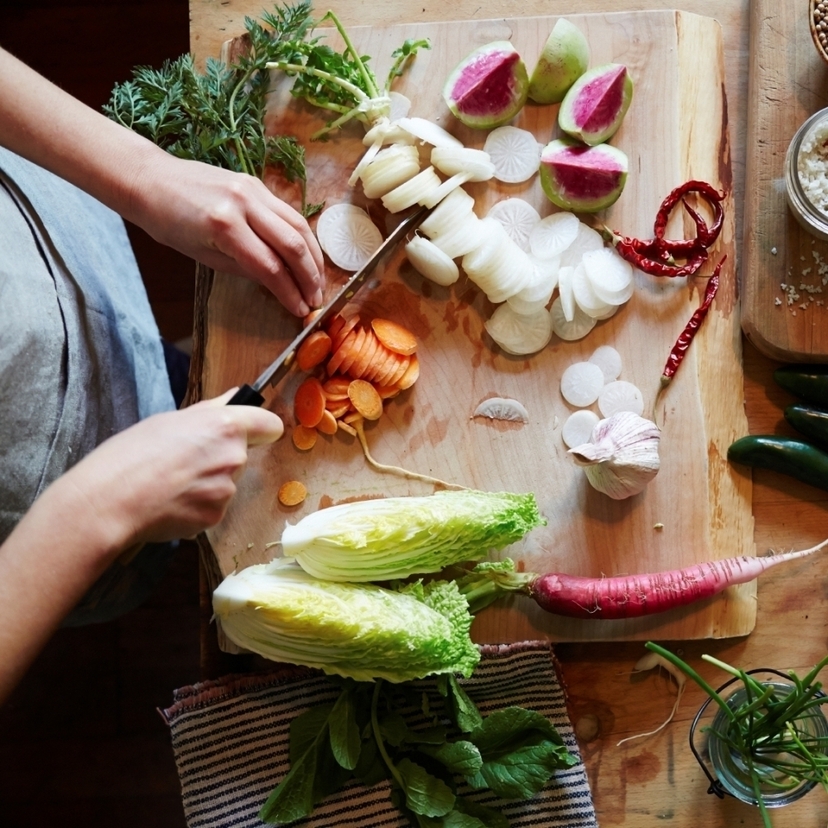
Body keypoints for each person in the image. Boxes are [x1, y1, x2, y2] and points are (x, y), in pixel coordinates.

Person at [0, 45, 326, 704]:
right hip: (38, 510)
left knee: (155, 361)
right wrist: (95, 509)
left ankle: (175, 374)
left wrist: (143, 172)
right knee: (178, 536)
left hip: (35, 248)